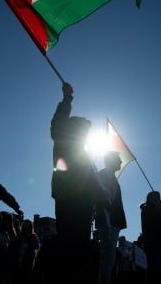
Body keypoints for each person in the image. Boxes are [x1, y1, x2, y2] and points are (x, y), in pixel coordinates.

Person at [50, 82, 103, 283]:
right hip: (68, 201)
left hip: (84, 206)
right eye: (84, 130)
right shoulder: (63, 141)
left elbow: (93, 183)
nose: (86, 134)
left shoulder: (85, 156)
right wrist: (67, 100)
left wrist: (98, 197)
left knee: (79, 247)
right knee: (67, 246)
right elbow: (57, 124)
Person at [96, 152, 127, 284]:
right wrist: (108, 221)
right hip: (109, 221)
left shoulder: (109, 176)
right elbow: (103, 199)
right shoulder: (104, 175)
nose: (120, 162)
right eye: (118, 160)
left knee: (110, 259)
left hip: (112, 221)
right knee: (108, 259)